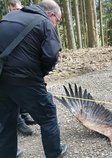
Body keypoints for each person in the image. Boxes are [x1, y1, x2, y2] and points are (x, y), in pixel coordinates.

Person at [0, 0, 68, 157]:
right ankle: (54, 153)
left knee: (6, 120)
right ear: (51, 14)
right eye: (58, 20)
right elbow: (51, 56)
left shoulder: (10, 17)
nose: (56, 24)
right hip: (25, 78)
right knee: (48, 115)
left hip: (1, 77)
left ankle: (7, 154)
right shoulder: (45, 23)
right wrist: (40, 75)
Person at [7, 0, 36, 137]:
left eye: (18, 8)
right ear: (9, 8)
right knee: (11, 92)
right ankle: (18, 121)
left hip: (21, 62)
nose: (16, 11)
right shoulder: (6, 23)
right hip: (8, 64)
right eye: (13, 9)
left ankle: (24, 114)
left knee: (23, 87)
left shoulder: (24, 20)